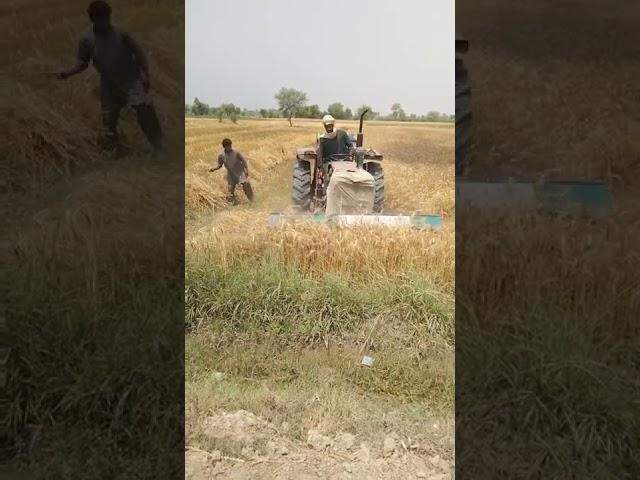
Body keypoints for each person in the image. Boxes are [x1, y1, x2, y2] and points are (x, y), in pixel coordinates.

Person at [55, 1, 163, 157]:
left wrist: (145, 75)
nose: (105, 22)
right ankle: (117, 153)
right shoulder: (87, 40)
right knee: (108, 123)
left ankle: (158, 146)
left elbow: (139, 53)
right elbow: (82, 63)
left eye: (106, 18)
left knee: (144, 110)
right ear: (93, 20)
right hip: (109, 84)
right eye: (101, 19)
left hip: (131, 79)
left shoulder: (121, 34)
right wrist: (67, 73)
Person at [210, 138, 254, 205]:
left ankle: (252, 200)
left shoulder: (236, 152)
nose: (230, 148)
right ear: (224, 147)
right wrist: (214, 169)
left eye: (230, 146)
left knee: (246, 185)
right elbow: (219, 165)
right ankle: (233, 204)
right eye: (228, 146)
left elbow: (243, 160)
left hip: (240, 172)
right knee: (230, 191)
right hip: (231, 174)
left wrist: (246, 170)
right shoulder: (221, 155)